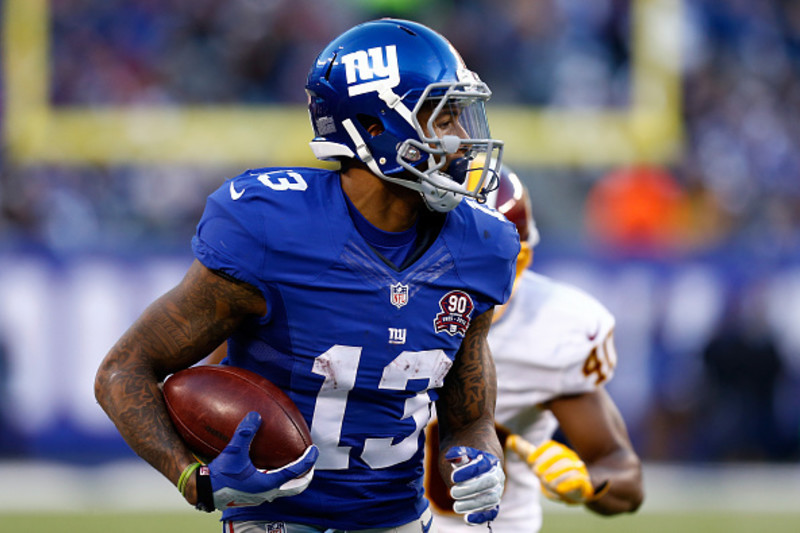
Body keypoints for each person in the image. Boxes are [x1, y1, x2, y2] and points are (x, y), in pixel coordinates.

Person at [94, 18, 519, 532]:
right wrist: (194, 479)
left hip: (400, 521)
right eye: (443, 118)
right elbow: (124, 370)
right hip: (276, 521)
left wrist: (481, 459)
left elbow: (468, 416)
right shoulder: (272, 228)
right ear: (374, 127)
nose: (461, 140)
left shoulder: (481, 247)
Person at [424, 165, 644, 532]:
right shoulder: (365, 304)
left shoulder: (556, 330)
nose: (482, 281)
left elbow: (622, 473)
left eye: (502, 261)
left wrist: (588, 484)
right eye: (460, 263)